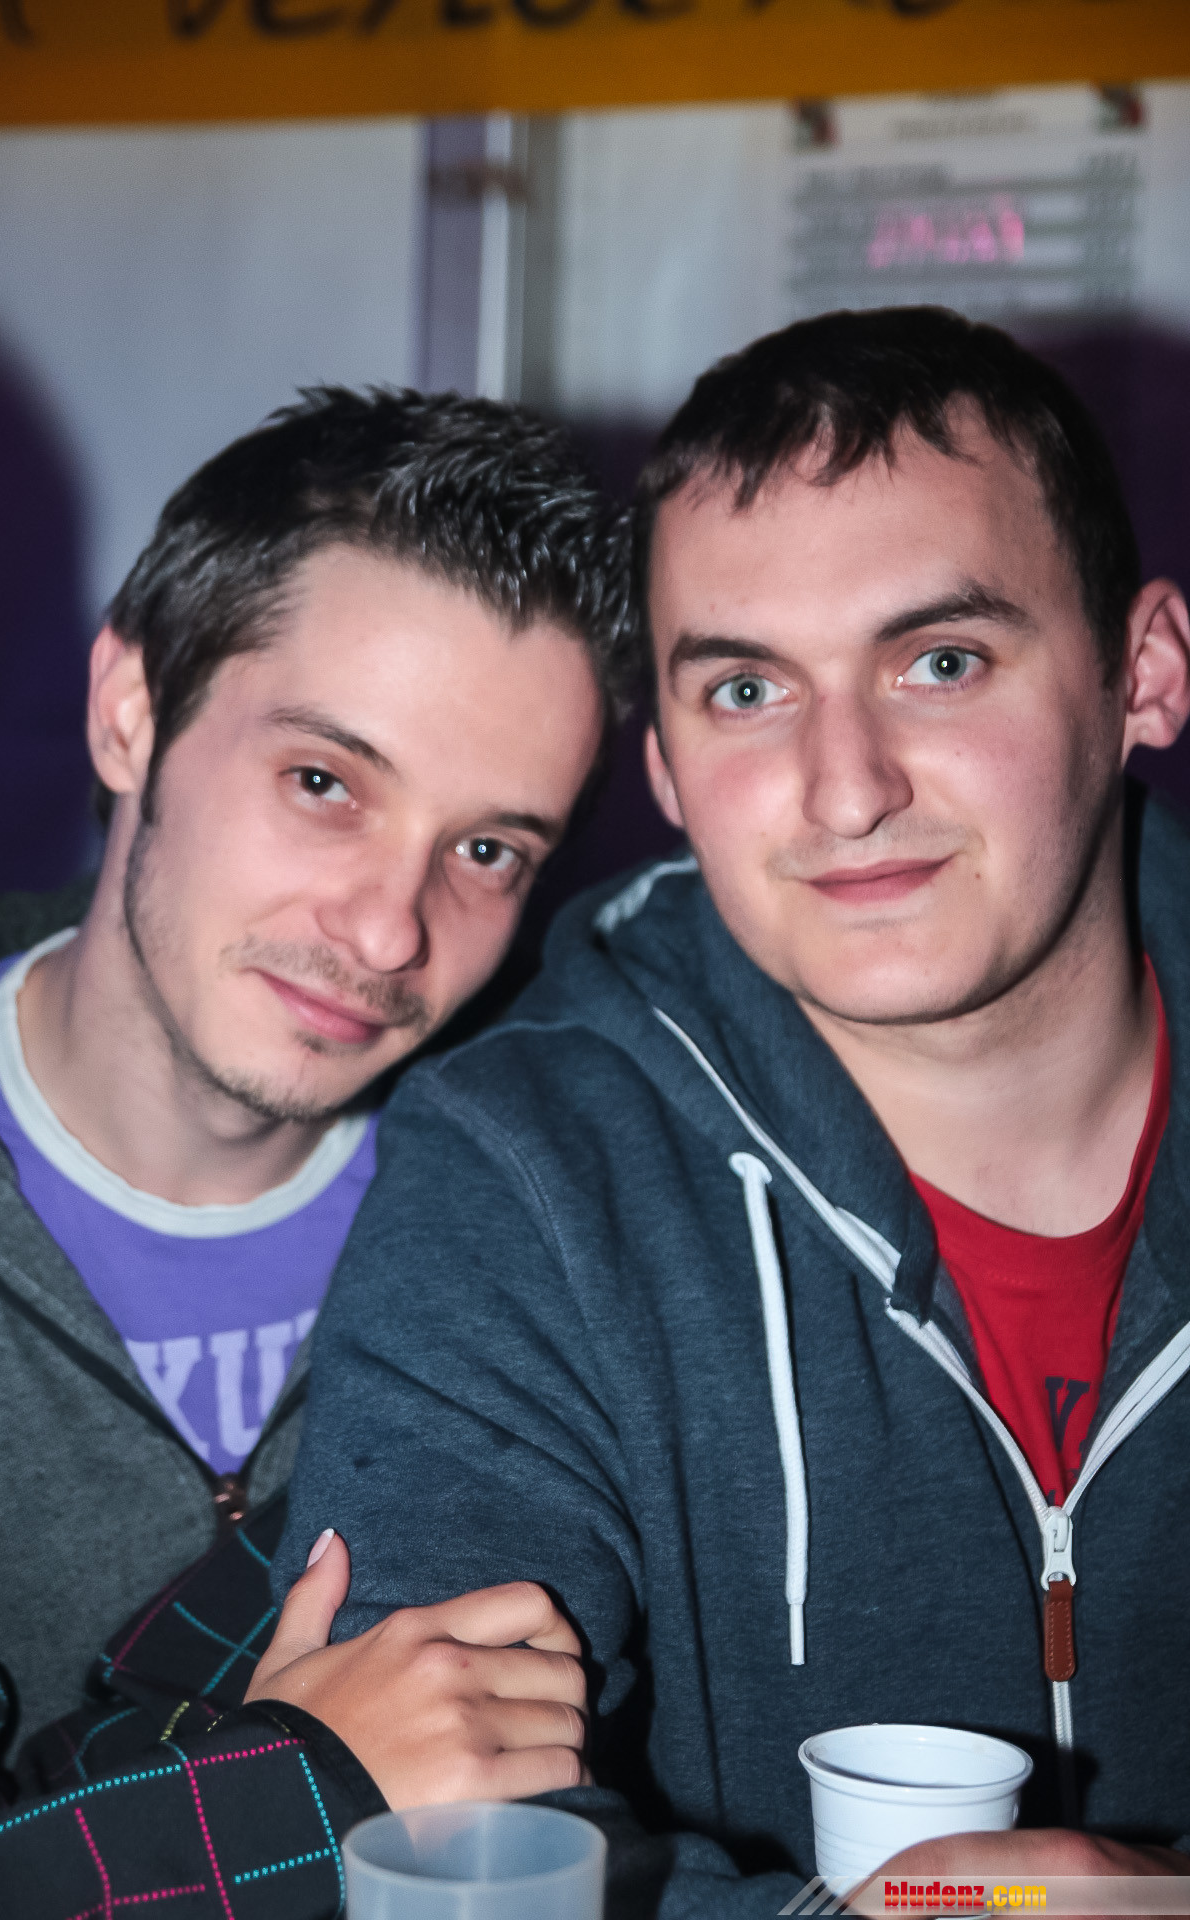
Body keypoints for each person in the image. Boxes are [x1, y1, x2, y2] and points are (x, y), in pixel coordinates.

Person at [271, 309, 1190, 1908]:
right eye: (750, 690)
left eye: (941, 662)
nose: (847, 788)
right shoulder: (526, 1165)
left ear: (1142, 673)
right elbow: (443, 1858)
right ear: (668, 772)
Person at [0, 386, 630, 1858]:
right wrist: (294, 1782)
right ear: (131, 712)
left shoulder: (546, 1207)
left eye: (487, 850)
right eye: (324, 783)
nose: (389, 929)